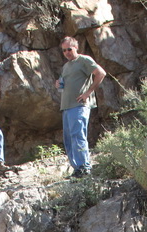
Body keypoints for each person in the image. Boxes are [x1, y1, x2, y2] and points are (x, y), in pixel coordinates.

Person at [55, 37, 106, 178]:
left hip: (79, 105)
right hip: (66, 106)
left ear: (76, 47)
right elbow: (64, 85)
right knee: (69, 139)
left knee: (78, 135)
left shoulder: (84, 60)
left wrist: (88, 93)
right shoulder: (66, 66)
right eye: (64, 50)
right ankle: (77, 169)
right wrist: (58, 85)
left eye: (69, 49)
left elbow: (101, 73)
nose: (67, 52)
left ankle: (84, 167)